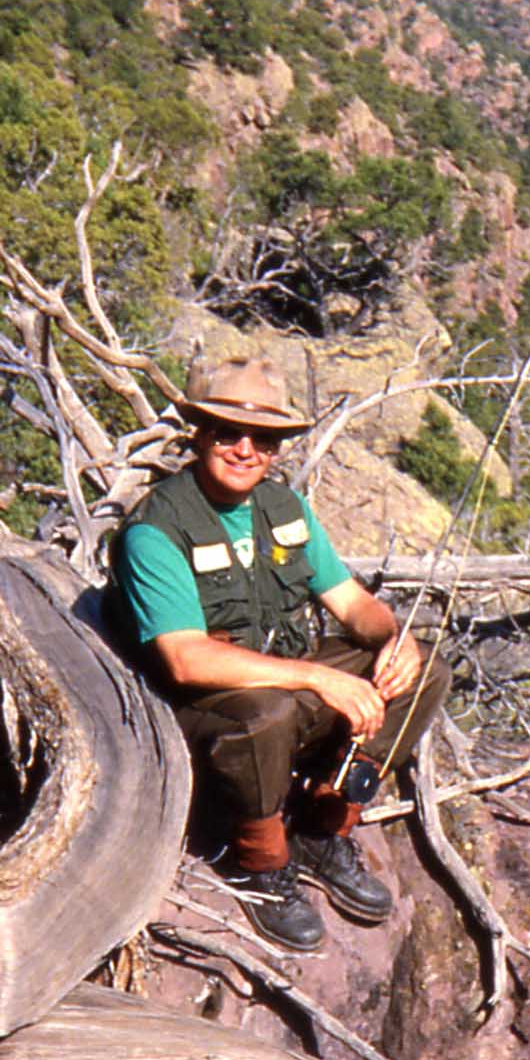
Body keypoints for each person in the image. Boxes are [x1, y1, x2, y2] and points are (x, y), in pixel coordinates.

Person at [109, 356, 448, 951]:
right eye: (227, 433)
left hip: (285, 683)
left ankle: (324, 826)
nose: (245, 449)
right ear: (198, 434)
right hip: (197, 710)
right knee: (269, 710)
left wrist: (393, 639)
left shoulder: (283, 509)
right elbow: (186, 660)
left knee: (426, 674)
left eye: (262, 439)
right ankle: (258, 860)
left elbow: (350, 602)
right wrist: (319, 679)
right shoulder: (156, 530)